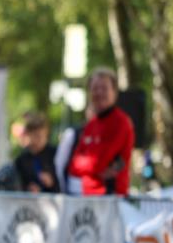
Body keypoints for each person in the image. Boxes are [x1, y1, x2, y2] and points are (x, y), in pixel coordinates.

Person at [65, 68, 134, 196]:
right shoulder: (91, 124)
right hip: (87, 195)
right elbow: (73, 165)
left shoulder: (121, 122)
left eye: (104, 88)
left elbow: (99, 162)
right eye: (95, 88)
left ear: (114, 92)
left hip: (111, 197)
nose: (99, 93)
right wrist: (93, 168)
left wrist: (87, 165)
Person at [13, 112, 59, 193]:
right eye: (35, 136)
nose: (38, 140)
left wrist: (52, 182)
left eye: (41, 136)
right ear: (28, 134)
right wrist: (28, 188)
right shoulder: (21, 160)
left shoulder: (56, 154)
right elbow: (17, 185)